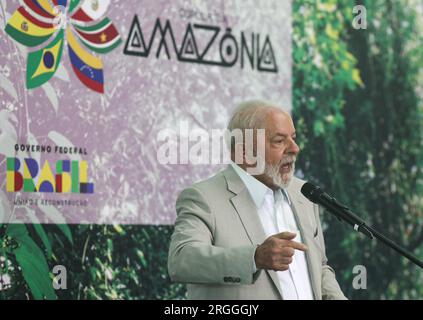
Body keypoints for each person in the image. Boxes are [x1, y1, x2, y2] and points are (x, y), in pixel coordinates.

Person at [168, 100, 347, 300]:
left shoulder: (304, 193)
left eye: (293, 138)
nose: (294, 148)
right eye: (279, 141)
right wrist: (255, 257)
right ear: (246, 152)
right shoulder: (204, 197)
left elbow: (318, 267)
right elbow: (182, 260)